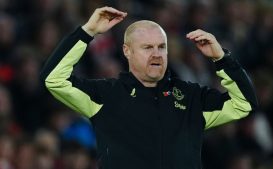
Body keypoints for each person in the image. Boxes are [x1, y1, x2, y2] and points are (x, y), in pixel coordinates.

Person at [40, 6, 258, 169]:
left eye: (161, 47)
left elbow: (244, 103)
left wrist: (221, 58)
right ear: (127, 51)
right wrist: (87, 32)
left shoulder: (192, 97)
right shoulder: (106, 96)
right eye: (147, 47)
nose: (156, 54)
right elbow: (53, 79)